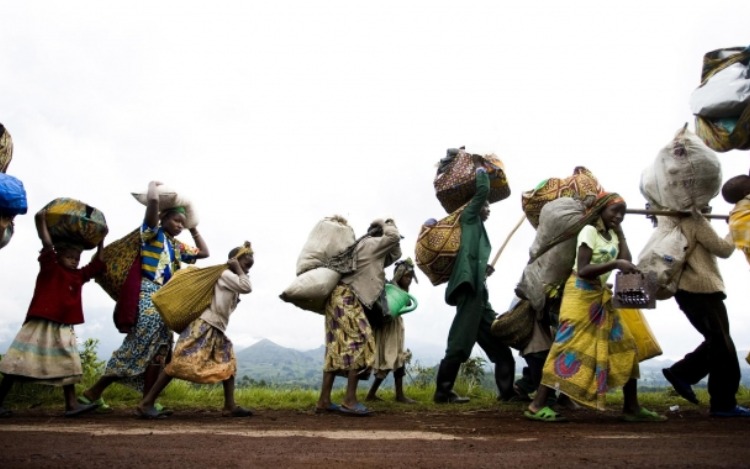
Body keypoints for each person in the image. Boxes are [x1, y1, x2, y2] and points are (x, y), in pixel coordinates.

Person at [525, 192, 666, 422]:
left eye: (623, 213)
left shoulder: (612, 234)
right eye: (615, 211)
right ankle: (536, 405)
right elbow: (583, 269)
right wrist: (615, 263)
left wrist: (620, 234)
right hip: (579, 295)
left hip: (600, 297)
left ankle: (632, 407)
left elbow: (626, 261)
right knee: (566, 347)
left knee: (626, 347)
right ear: (601, 209)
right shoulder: (589, 231)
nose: (619, 216)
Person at [81, 181, 209, 408]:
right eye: (175, 220)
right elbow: (152, 205)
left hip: (164, 301)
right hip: (148, 295)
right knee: (138, 346)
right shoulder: (151, 234)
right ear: (163, 219)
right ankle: (92, 394)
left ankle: (147, 401)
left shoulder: (176, 246)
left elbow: (204, 253)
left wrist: (193, 227)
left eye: (182, 222)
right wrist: (152, 188)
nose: (179, 225)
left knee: (160, 351)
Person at [0, 208, 105, 417]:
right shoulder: (51, 267)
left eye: (77, 257)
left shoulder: (78, 275)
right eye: (70, 256)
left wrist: (102, 240)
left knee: (69, 364)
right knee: (17, 361)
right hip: (41, 321)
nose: (75, 260)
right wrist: (41, 221)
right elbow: (47, 245)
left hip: (64, 325)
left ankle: (72, 405)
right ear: (59, 255)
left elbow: (97, 264)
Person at [137, 242, 254, 419]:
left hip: (215, 328)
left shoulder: (233, 279)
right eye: (246, 264)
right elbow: (247, 287)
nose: (248, 268)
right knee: (177, 364)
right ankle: (146, 404)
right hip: (203, 326)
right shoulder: (226, 274)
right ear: (235, 261)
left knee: (229, 362)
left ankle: (229, 406)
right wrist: (238, 269)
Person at [435, 157, 516, 404]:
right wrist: (481, 170)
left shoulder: (478, 227)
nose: (488, 208)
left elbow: (473, 258)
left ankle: (507, 393)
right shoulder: (469, 217)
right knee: (460, 342)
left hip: (479, 291)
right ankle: (443, 391)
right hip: (469, 289)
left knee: (500, 346)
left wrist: (485, 271)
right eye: (486, 205)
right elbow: (482, 191)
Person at [661, 204, 748, 417]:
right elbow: (724, 249)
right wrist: (734, 230)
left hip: (689, 291)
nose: (709, 207)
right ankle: (717, 400)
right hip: (701, 289)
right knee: (722, 345)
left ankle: (716, 399)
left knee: (719, 344)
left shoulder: (673, 222)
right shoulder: (694, 220)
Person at [315, 218, 402, 416]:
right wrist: (386, 221)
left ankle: (324, 401)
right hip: (346, 299)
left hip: (338, 299)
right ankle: (349, 400)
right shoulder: (370, 245)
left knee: (336, 348)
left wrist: (389, 234)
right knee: (361, 342)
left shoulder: (370, 250)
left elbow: (396, 253)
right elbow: (393, 237)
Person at [366, 258, 417, 404]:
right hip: (388, 329)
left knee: (397, 358)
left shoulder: (402, 292)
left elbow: (407, 302)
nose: (409, 280)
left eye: (410, 277)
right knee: (391, 358)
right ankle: (376, 394)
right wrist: (394, 283)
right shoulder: (388, 288)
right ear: (399, 275)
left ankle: (398, 395)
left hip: (396, 328)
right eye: (406, 276)